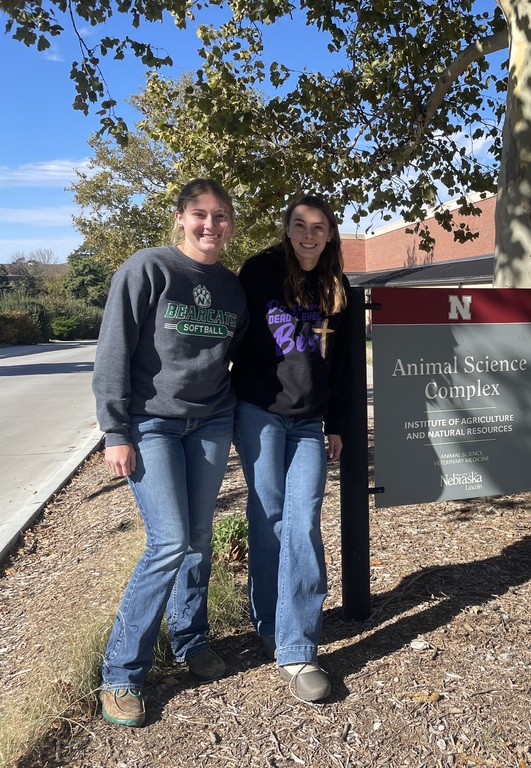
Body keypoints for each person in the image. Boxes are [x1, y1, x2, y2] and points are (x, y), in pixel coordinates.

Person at [93, 178, 248, 727]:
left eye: (221, 215)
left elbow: (242, 354)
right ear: (181, 217)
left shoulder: (231, 287)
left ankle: (191, 639)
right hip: (151, 424)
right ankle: (120, 675)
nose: (212, 225)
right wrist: (115, 431)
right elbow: (113, 349)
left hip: (213, 421)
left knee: (200, 538)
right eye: (200, 214)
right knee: (169, 541)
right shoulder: (147, 268)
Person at [230, 194, 352, 703]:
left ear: (329, 235)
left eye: (318, 227)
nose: (308, 234)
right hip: (258, 414)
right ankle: (269, 620)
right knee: (269, 520)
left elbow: (343, 364)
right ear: (287, 229)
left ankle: (298, 649)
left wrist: (339, 424)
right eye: (299, 225)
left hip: (308, 424)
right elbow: (230, 341)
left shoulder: (338, 286)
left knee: (302, 523)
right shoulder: (258, 272)